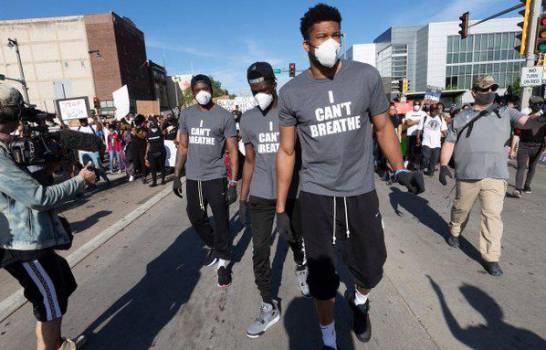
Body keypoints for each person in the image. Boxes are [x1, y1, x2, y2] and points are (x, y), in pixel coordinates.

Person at [275, 4, 425, 349]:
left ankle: (359, 301)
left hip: (360, 191)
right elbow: (286, 151)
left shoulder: (365, 77)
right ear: (306, 45)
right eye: (321, 36)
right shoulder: (292, 92)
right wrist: (282, 208)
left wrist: (400, 168)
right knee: (323, 279)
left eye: (335, 35)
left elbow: (383, 126)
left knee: (372, 267)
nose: (330, 43)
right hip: (316, 195)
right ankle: (328, 338)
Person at [0, 85, 96, 350]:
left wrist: (48, 167)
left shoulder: (8, 147)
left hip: (31, 237)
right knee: (49, 299)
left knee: (60, 284)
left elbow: (27, 186)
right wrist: (79, 181)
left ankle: (55, 343)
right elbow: (38, 198)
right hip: (19, 246)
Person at [439, 75, 546, 276]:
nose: (489, 93)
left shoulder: (506, 113)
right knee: (461, 209)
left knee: (492, 216)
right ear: (474, 93)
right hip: (467, 175)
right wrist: (444, 165)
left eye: (492, 89)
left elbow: (527, 122)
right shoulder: (461, 117)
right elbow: (450, 142)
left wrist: (541, 117)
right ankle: (454, 231)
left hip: (496, 175)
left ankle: (491, 257)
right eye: (484, 89)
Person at [239, 62, 310, 338]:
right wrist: (242, 198)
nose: (259, 94)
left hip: (292, 192)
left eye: (263, 87)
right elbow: (249, 161)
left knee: (293, 237)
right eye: (253, 89)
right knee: (259, 252)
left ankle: (301, 265)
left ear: (273, 84)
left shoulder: (289, 111)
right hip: (259, 194)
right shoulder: (247, 119)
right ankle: (268, 305)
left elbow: (302, 154)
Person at [172, 74, 239, 288]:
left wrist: (233, 182)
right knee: (195, 216)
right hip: (193, 177)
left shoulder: (224, 116)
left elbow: (233, 150)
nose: (202, 92)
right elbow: (182, 146)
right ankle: (215, 245)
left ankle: (224, 264)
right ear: (192, 93)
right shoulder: (186, 115)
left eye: (205, 88)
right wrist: (176, 175)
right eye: (197, 89)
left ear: (211, 89)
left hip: (216, 176)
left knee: (221, 220)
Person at [510, 96, 546, 198]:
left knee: (532, 167)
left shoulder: (544, 119)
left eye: (540, 104)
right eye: (535, 104)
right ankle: (518, 188)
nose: (538, 106)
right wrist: (513, 149)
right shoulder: (524, 118)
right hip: (524, 145)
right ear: (531, 105)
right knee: (521, 167)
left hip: (538, 146)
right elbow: (516, 134)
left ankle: (527, 186)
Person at [75, 118, 110, 185]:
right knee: (87, 168)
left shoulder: (92, 127)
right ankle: (91, 183)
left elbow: (99, 126)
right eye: (81, 121)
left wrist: (94, 117)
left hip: (93, 150)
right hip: (83, 152)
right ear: (80, 121)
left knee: (98, 165)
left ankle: (105, 178)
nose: (83, 122)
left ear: (86, 120)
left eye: (84, 120)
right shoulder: (78, 129)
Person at [417, 104, 447, 176]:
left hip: (437, 143)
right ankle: (422, 168)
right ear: (430, 111)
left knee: (434, 159)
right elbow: (419, 129)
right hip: (426, 142)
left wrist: (448, 139)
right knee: (425, 158)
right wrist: (417, 138)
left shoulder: (440, 118)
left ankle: (430, 172)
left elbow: (444, 130)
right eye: (433, 111)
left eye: (436, 110)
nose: (435, 112)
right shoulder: (424, 118)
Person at [405, 100, 428, 169]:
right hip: (410, 135)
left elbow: (426, 122)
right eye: (415, 104)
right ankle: (407, 164)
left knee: (419, 151)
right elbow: (408, 123)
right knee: (409, 151)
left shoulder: (423, 113)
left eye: (418, 104)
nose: (416, 106)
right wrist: (420, 120)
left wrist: (413, 121)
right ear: (413, 105)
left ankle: (417, 165)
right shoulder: (409, 113)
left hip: (420, 135)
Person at [144, 119, 166, 187]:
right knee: (153, 168)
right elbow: (148, 144)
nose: (152, 127)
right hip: (152, 153)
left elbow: (164, 133)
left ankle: (163, 180)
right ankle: (154, 182)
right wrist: (146, 154)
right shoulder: (148, 134)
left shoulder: (161, 132)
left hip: (161, 152)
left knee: (162, 167)